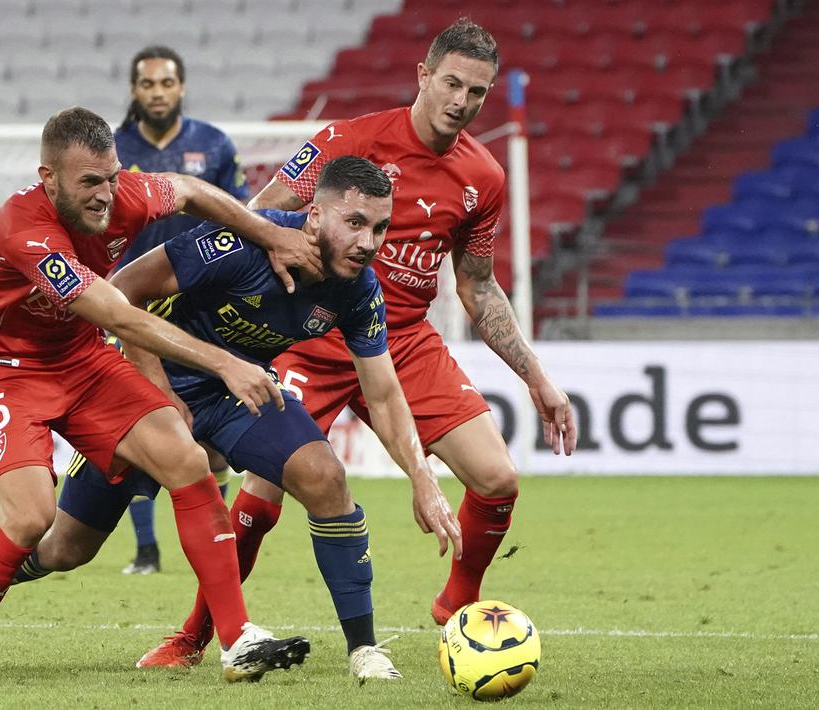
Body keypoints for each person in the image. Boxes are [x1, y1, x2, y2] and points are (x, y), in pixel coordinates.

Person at [0, 156, 462, 681]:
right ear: (313, 214)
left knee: (325, 477)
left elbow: (384, 394)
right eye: (355, 223)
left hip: (238, 394)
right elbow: (123, 297)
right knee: (64, 547)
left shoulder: (358, 287)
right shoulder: (238, 245)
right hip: (144, 382)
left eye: (381, 229)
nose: (368, 243)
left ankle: (356, 648)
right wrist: (164, 390)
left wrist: (423, 478)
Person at [140, 18, 581, 669]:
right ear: (423, 76)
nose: (461, 102)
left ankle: (457, 604)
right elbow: (257, 219)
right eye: (451, 84)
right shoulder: (347, 141)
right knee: (261, 493)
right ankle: (195, 636)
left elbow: (478, 287)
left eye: (477, 92)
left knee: (497, 480)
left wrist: (536, 378)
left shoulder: (481, 179)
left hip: (400, 341)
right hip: (309, 340)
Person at [0, 106, 318, 684]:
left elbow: (191, 191)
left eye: (112, 177)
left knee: (186, 459)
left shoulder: (125, 194)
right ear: (49, 178)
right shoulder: (22, 228)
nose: (106, 195)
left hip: (79, 358)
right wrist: (226, 363)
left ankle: (236, 641)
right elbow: (120, 318)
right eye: (89, 183)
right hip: (2, 368)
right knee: (31, 518)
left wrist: (270, 232)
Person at [112, 45, 249, 576]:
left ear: (181, 87)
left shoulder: (213, 145)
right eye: (147, 84)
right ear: (134, 91)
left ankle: (214, 544)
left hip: (201, 310)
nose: (157, 93)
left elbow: (240, 214)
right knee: (137, 430)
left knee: (208, 440)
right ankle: (147, 551)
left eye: (166, 83)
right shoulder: (115, 148)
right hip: (130, 305)